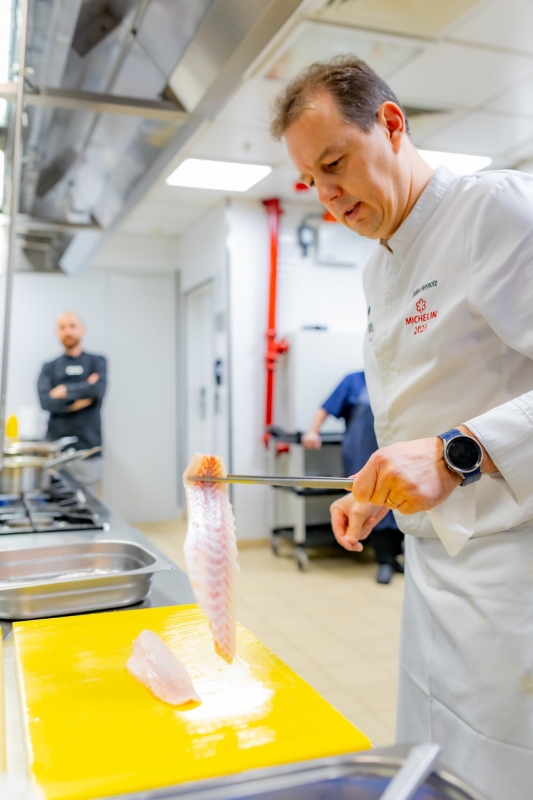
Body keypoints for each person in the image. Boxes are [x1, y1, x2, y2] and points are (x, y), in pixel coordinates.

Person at [270, 56, 533, 800]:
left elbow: (452, 441)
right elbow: (423, 400)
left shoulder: (494, 212)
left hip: (512, 574)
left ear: (390, 124)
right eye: (309, 181)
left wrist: (456, 456)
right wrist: (383, 489)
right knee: (432, 765)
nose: (327, 195)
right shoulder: (379, 268)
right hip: (433, 575)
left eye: (333, 164)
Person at [302, 371, 403, 583]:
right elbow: (326, 407)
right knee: (371, 502)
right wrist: (313, 431)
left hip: (395, 453)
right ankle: (384, 561)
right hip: (362, 453)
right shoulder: (354, 380)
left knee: (398, 502)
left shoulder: (399, 377)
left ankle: (393, 557)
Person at [37, 312, 106, 494]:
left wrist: (63, 390)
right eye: (62, 327)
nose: (68, 331)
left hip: (88, 452)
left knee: (88, 505)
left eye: (72, 326)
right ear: (56, 332)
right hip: (55, 453)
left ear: (82, 329)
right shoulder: (49, 367)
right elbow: (46, 402)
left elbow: (97, 390)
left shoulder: (97, 362)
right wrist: (83, 395)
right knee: (55, 504)